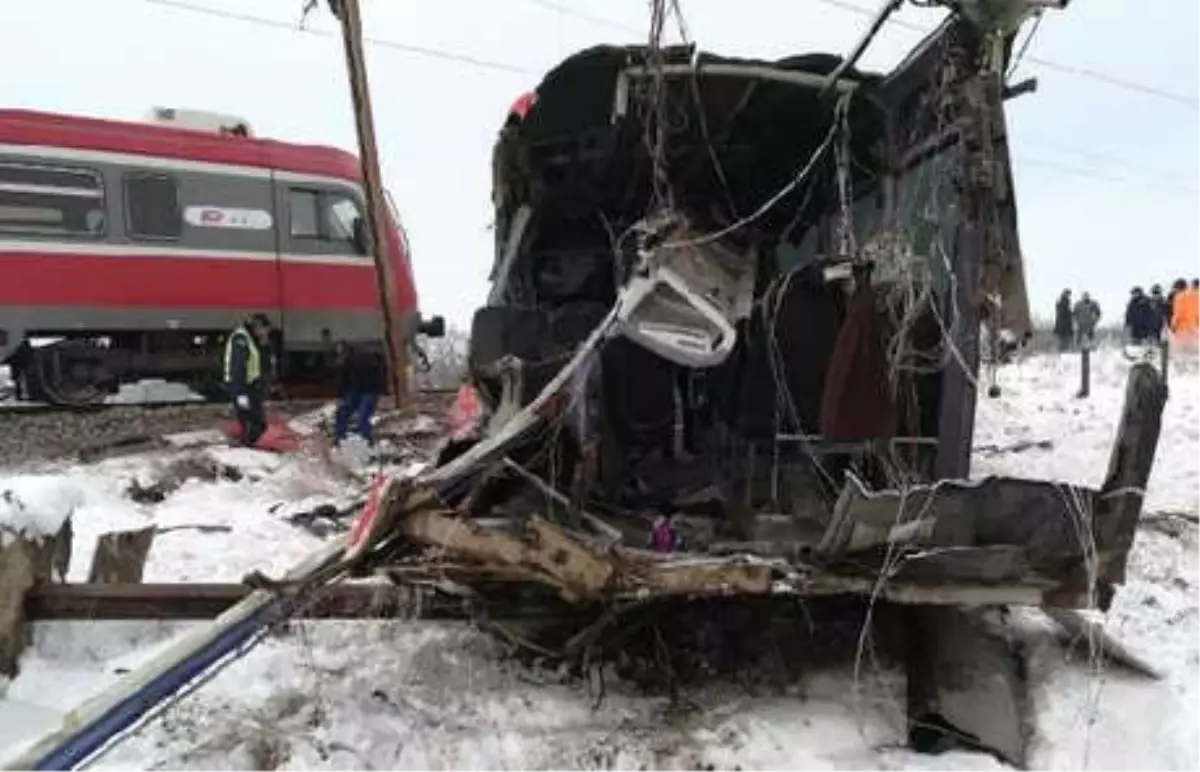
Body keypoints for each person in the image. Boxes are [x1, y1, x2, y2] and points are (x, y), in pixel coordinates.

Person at [224, 314, 273, 447]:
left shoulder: (252, 339)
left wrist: (264, 344)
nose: (267, 333)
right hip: (241, 386)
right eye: (265, 330)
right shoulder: (241, 338)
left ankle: (247, 447)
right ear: (258, 327)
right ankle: (245, 449)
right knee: (251, 422)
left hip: (250, 386)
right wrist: (240, 394)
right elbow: (238, 367)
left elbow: (262, 364)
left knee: (256, 422)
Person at [332, 341, 385, 446]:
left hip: (368, 390)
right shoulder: (346, 364)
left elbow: (377, 375)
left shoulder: (362, 360)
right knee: (343, 412)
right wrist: (341, 396)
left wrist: (379, 391)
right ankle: (339, 437)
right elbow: (343, 380)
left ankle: (367, 438)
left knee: (362, 415)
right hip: (355, 390)